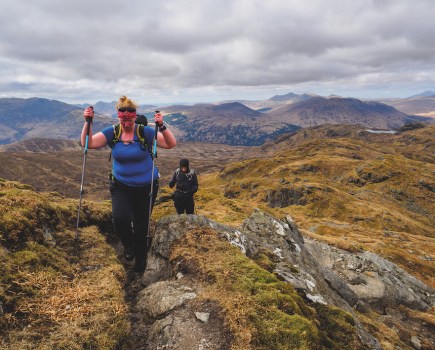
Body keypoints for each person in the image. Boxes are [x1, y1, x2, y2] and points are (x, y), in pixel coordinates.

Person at [81, 96, 176, 273]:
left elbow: (170, 144)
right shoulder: (113, 132)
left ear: (134, 116)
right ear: (119, 117)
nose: (126, 122)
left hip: (147, 187)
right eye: (122, 118)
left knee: (141, 226)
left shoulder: (144, 132)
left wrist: (162, 125)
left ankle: (140, 263)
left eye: (129, 118)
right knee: (120, 219)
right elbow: (88, 143)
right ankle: (128, 245)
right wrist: (88, 123)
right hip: (121, 186)